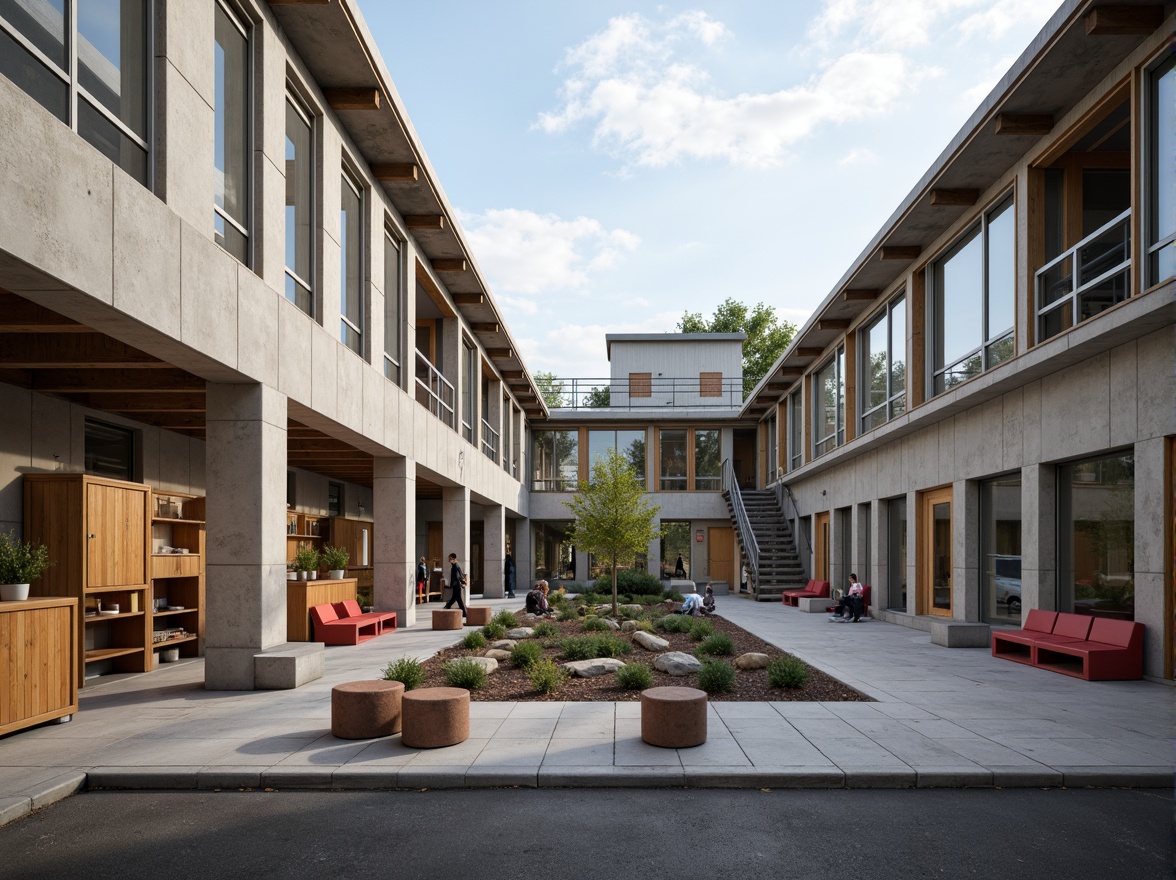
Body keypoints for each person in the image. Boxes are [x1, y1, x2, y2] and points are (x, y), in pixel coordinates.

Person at [443, 552, 467, 617]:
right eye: (449, 559)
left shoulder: (455, 567)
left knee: (458, 599)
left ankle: (464, 613)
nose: (449, 560)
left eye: (450, 559)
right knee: (455, 598)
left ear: (454, 559)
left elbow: (457, 576)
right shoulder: (455, 566)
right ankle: (448, 606)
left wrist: (454, 584)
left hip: (456, 585)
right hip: (456, 584)